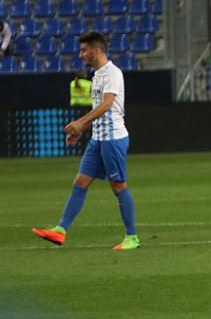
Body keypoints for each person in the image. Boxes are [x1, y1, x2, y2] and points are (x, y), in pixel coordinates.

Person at [32, 32, 138, 250]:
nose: (81, 54)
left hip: (113, 138)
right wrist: (83, 129)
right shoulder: (97, 74)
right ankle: (60, 231)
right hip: (98, 138)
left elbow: (107, 105)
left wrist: (80, 123)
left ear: (96, 50)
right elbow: (98, 109)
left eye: (84, 50)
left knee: (118, 186)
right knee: (80, 182)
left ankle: (132, 237)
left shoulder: (112, 73)